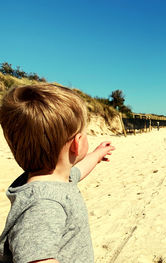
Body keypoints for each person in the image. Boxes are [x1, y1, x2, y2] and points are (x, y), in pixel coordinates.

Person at [0, 84, 115, 263]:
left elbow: (79, 172)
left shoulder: (55, 179)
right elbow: (35, 258)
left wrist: (96, 155)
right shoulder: (44, 204)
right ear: (77, 143)